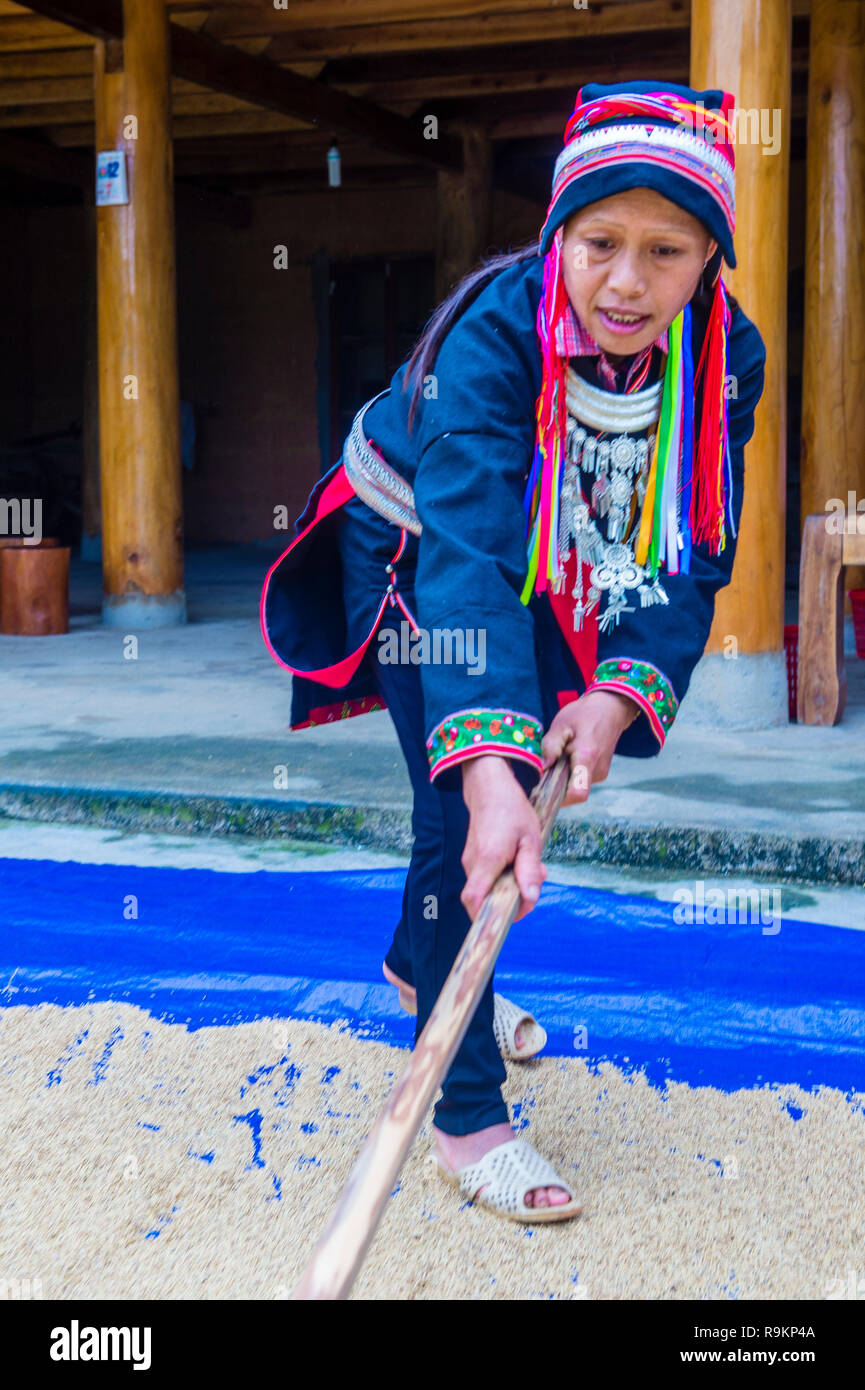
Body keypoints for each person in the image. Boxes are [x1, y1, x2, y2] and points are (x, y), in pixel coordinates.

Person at [261, 81, 766, 1223]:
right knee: (463, 819)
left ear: (707, 259)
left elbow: (694, 537)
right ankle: (466, 1113)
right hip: (413, 554)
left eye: (665, 250)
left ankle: (414, 958)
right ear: (557, 237)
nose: (626, 282)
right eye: (598, 243)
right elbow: (467, 565)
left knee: (501, 787)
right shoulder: (493, 334)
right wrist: (492, 768)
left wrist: (619, 694)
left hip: (550, 557)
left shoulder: (726, 356)